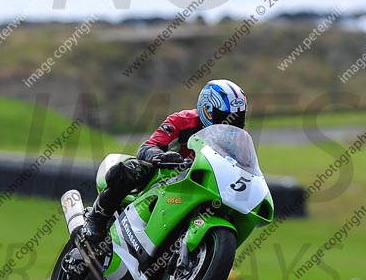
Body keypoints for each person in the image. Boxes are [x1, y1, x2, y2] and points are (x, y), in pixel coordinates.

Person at [82, 79, 248, 243]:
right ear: (207, 109)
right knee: (134, 168)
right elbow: (147, 147)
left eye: (237, 118)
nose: (232, 124)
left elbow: (245, 168)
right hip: (165, 177)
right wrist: (160, 157)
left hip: (202, 185)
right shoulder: (182, 121)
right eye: (226, 117)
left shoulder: (237, 142)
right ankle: (96, 218)